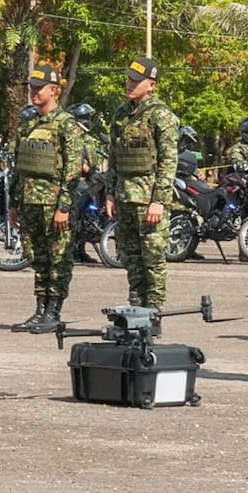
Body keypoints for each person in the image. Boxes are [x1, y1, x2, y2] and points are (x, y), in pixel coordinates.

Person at [8, 64, 85, 333]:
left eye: (39, 88)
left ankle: (53, 311)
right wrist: (13, 203)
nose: (34, 92)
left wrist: (64, 206)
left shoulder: (66, 124)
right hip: (29, 202)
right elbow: (18, 166)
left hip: (54, 204)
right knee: (37, 257)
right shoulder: (27, 124)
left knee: (58, 258)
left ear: (54, 90)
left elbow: (73, 168)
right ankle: (40, 310)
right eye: (32, 88)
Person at [105, 57, 179, 313]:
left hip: (148, 200)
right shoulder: (121, 114)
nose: (130, 84)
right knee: (130, 256)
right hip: (125, 197)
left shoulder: (161, 115)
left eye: (136, 81)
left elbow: (169, 161)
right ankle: (136, 307)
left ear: (152, 85)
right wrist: (110, 193)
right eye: (129, 79)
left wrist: (159, 200)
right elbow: (114, 157)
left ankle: (154, 312)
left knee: (153, 259)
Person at [67, 102, 104, 264]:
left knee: (86, 217)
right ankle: (72, 251)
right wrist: (84, 168)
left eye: (88, 117)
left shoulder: (88, 138)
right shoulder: (71, 136)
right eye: (84, 118)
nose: (87, 121)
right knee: (74, 218)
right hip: (77, 182)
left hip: (90, 181)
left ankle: (80, 250)